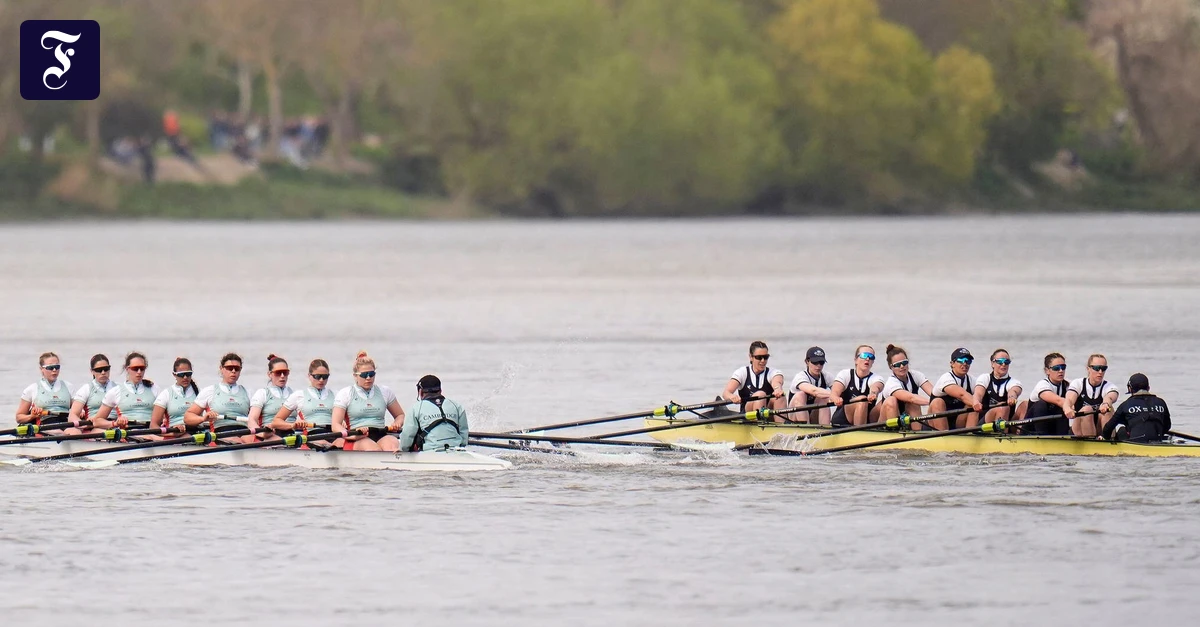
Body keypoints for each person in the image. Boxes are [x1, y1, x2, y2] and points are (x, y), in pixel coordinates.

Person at [331, 351, 405, 451]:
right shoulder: (345, 393)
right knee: (374, 449)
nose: (368, 378)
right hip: (357, 437)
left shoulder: (385, 392)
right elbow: (335, 425)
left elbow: (400, 415)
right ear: (355, 376)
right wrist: (350, 436)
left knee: (392, 445)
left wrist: (397, 423)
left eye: (371, 374)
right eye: (364, 375)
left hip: (380, 434)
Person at [184, 353, 255, 443]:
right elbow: (188, 417)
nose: (233, 371)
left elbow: (256, 417)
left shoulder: (248, 392)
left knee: (253, 440)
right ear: (221, 369)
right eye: (229, 368)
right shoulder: (210, 391)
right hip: (221, 431)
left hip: (245, 431)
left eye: (237, 369)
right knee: (237, 441)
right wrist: (203, 419)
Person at [399, 375, 469, 452]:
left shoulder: (415, 408)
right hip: (457, 450)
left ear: (420, 392)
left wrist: (404, 451)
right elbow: (464, 435)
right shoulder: (456, 405)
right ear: (440, 390)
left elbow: (407, 437)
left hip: (430, 452)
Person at [90, 352, 157, 430]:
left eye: (142, 368)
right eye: (135, 368)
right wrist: (115, 423)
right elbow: (97, 421)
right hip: (129, 433)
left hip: (151, 430)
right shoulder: (115, 391)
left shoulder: (154, 388)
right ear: (127, 369)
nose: (139, 372)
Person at [721, 341, 785, 418]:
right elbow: (726, 393)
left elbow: (777, 381)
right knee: (760, 395)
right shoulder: (742, 372)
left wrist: (778, 389)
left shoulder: (773, 372)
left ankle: (782, 426)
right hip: (748, 414)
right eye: (759, 357)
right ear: (751, 357)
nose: (763, 361)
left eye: (765, 357)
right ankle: (758, 425)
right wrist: (732, 397)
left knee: (780, 397)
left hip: (768, 412)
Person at [273, 359, 335, 435]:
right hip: (311, 435)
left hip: (333, 434)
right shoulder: (299, 395)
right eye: (317, 376)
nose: (321, 380)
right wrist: (292, 425)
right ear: (309, 376)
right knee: (323, 443)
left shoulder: (335, 395)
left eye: (325, 376)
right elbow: (276, 421)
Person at [1063, 354, 1120, 437]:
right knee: (1087, 409)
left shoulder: (1109, 386)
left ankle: (1108, 441)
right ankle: (1091, 441)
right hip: (1079, 430)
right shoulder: (1078, 383)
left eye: (1103, 369)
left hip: (1099, 428)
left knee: (1109, 410)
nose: (1100, 372)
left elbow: (1110, 397)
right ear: (1088, 368)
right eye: (1096, 368)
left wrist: (1105, 404)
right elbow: (1069, 399)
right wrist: (1067, 408)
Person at [1103, 374, 1171, 442]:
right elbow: (1167, 426)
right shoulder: (1161, 402)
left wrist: (1107, 439)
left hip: (1135, 444)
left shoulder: (1125, 405)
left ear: (1130, 389)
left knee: (1122, 430)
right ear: (1148, 388)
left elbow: (1107, 429)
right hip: (1157, 441)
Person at [876, 345, 932, 425]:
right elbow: (911, 398)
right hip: (887, 424)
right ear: (891, 367)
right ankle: (893, 432)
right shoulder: (891, 383)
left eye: (904, 362)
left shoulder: (916, 375)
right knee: (891, 401)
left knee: (914, 405)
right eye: (897, 365)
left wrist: (937, 401)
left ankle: (918, 433)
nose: (902, 366)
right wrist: (931, 402)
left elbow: (934, 393)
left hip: (905, 421)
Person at [928, 348, 984, 430]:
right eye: (961, 360)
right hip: (935, 423)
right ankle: (943, 437)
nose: (965, 363)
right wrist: (975, 402)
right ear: (952, 363)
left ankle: (970, 436)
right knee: (938, 402)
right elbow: (962, 395)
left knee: (972, 403)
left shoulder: (972, 380)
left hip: (958, 422)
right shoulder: (945, 378)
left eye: (968, 361)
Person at [829, 345, 884, 426]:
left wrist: (873, 393)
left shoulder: (876, 378)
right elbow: (834, 393)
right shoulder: (845, 374)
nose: (867, 359)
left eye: (871, 357)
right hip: (843, 419)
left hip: (868, 418)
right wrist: (836, 398)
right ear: (856, 360)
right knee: (862, 400)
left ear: (873, 362)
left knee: (886, 400)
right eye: (864, 355)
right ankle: (860, 433)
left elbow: (876, 387)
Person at [15, 352, 74, 427]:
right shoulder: (32, 389)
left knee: (74, 432)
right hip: (44, 424)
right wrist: (31, 416)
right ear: (41, 369)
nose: (54, 370)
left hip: (66, 422)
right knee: (59, 433)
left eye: (57, 366)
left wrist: (81, 411)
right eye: (50, 367)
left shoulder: (69, 386)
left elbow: (77, 409)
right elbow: (19, 417)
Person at [149, 357, 198, 439]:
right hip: (174, 435)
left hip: (195, 432)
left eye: (188, 374)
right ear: (174, 375)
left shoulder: (199, 392)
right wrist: (172, 433)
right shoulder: (166, 394)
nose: (185, 377)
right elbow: (153, 426)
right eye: (181, 374)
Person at [1025, 353, 1071, 436]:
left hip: (1054, 428)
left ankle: (1063, 436)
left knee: (1063, 407)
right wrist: (1069, 406)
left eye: (1063, 367)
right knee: (1042, 404)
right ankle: (1042, 436)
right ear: (1047, 371)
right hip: (1032, 430)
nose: (1061, 371)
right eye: (1056, 368)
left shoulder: (1068, 386)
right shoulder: (1042, 385)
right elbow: (1058, 400)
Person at [973, 349, 1025, 424]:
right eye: (1000, 361)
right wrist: (976, 401)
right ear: (992, 363)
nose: (1003, 364)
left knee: (1024, 404)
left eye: (1006, 362)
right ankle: (1000, 433)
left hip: (1007, 422)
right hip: (985, 422)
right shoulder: (985, 378)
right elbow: (978, 394)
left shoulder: (1014, 382)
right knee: (1002, 408)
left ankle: (1020, 432)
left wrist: (1012, 398)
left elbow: (1013, 391)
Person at [247, 354, 293, 438]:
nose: (282, 376)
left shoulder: (293, 394)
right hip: (271, 434)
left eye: (285, 373)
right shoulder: (262, 393)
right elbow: (252, 420)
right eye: (278, 373)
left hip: (293, 433)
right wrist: (262, 434)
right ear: (269, 374)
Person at [68, 353, 116, 429]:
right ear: (92, 371)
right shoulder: (86, 389)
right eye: (99, 370)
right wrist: (85, 425)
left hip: (115, 424)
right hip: (94, 426)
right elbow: (72, 415)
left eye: (106, 369)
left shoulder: (118, 388)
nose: (103, 372)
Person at [788, 346, 832, 424]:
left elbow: (839, 390)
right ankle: (804, 429)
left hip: (812, 415)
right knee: (800, 395)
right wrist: (834, 395)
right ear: (807, 362)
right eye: (815, 362)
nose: (818, 366)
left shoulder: (826, 376)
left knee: (824, 399)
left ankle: (826, 429)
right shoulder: (800, 377)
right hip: (794, 418)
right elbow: (814, 391)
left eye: (821, 362)